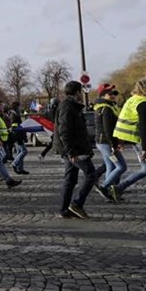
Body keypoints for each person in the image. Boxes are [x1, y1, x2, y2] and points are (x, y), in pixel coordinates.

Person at [110, 78, 146, 212]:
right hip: (145, 142)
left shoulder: (132, 100)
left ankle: (119, 188)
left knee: (145, 169)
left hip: (135, 140)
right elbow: (143, 127)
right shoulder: (144, 103)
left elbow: (126, 120)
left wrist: (120, 141)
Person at [54, 81, 95, 219]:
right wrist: (71, 151)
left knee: (70, 179)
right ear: (77, 92)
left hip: (72, 148)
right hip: (75, 149)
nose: (81, 95)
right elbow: (64, 131)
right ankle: (76, 204)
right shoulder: (68, 106)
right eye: (80, 92)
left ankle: (64, 209)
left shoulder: (68, 105)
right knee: (91, 175)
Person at [92, 84, 125, 200]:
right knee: (121, 167)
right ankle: (104, 187)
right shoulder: (106, 109)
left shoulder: (105, 107)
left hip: (103, 142)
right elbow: (108, 129)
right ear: (103, 95)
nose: (112, 95)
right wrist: (113, 145)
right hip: (106, 142)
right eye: (109, 93)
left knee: (110, 166)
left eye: (113, 93)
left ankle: (112, 192)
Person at [9, 102, 29, 175]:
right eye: (19, 106)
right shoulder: (14, 115)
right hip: (17, 136)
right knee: (24, 151)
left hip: (18, 136)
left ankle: (20, 168)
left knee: (19, 152)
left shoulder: (14, 114)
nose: (20, 108)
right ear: (17, 107)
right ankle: (14, 163)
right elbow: (15, 127)